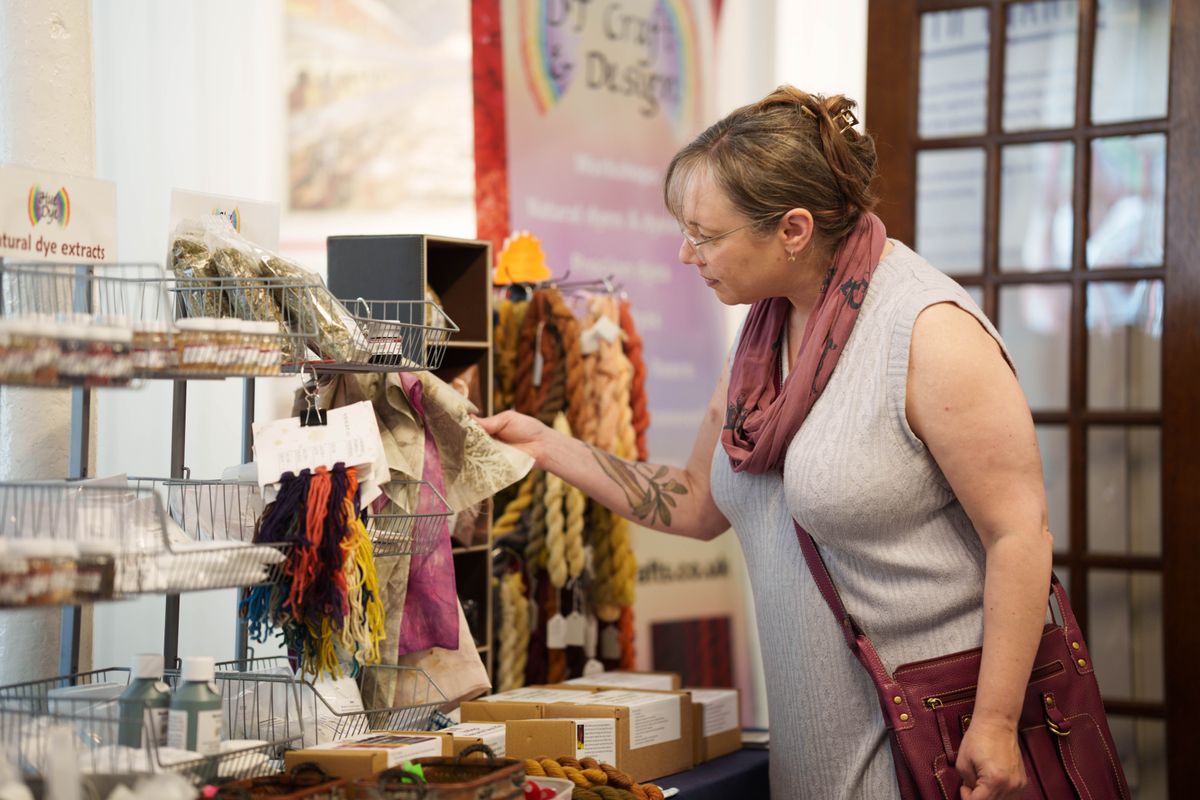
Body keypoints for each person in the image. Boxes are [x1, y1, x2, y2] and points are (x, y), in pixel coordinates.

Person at [477, 85, 1053, 800]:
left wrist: (996, 721)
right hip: (815, 758)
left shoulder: (928, 331)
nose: (685, 254)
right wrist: (544, 444)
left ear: (793, 230)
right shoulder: (761, 340)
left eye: (705, 235)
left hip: (941, 747)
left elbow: (1018, 533)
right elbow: (697, 503)